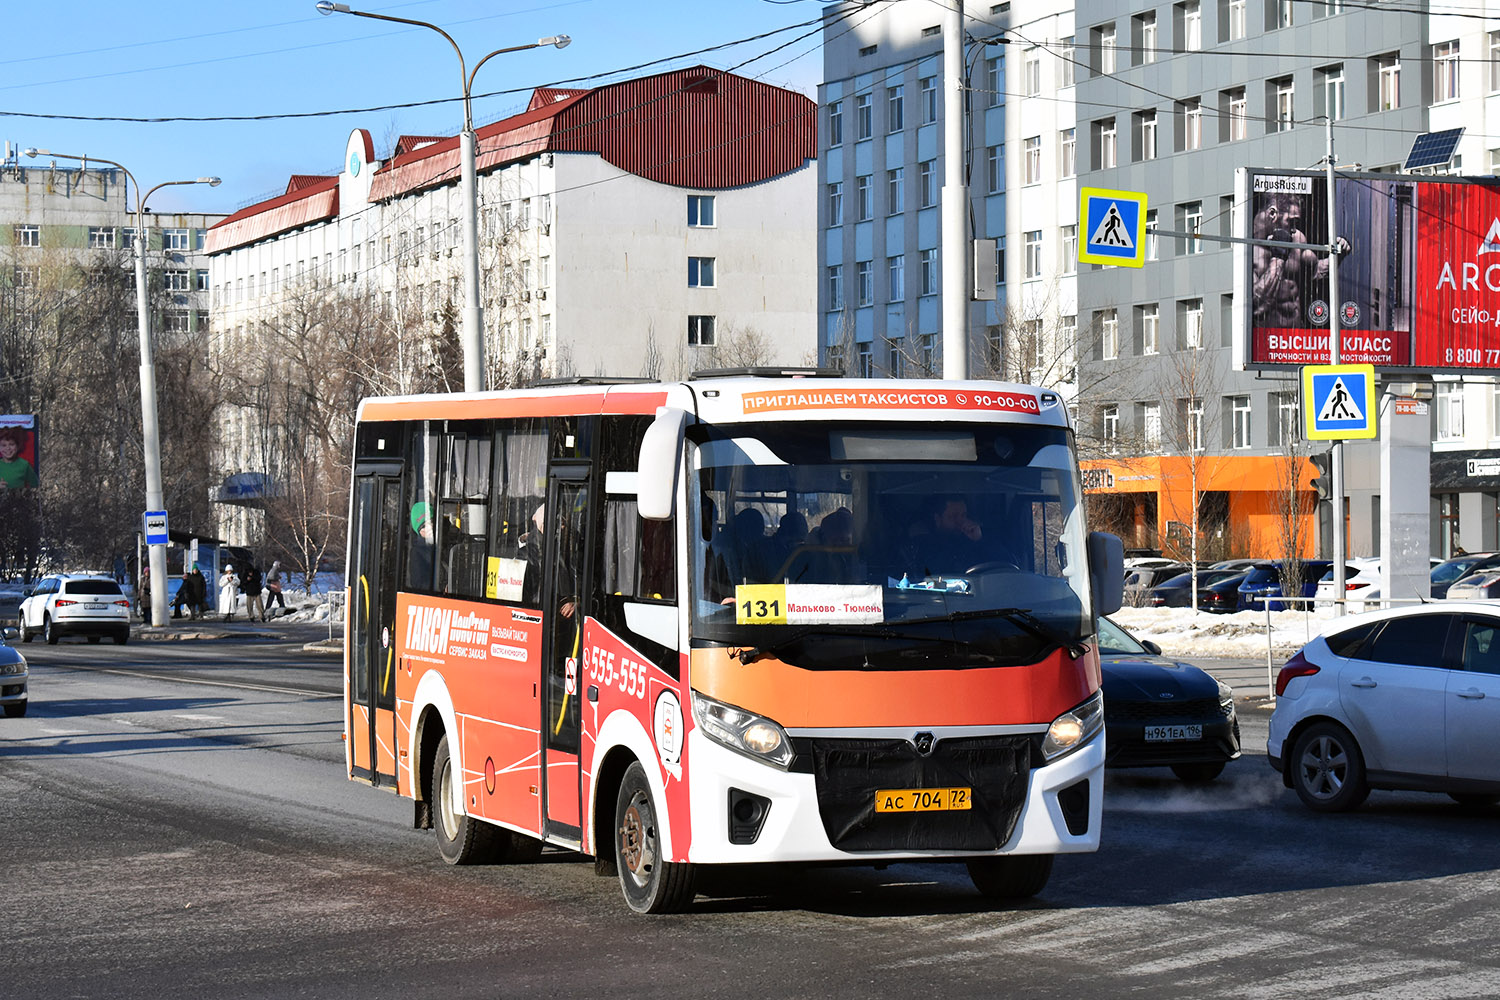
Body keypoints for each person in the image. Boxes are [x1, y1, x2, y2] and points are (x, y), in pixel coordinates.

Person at [1251, 192, 1328, 329]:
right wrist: (1278, 259)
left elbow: (1316, 270)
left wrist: (1339, 255)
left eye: (1296, 223)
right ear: (1272, 214)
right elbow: (1257, 306)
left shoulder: (1297, 238)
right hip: (1264, 340)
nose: (1293, 229)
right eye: (1290, 221)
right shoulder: (1248, 247)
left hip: (1296, 336)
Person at [408, 501, 435, 590]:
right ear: (418, 532)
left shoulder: (449, 537)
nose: (429, 527)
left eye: (430, 521)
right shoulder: (417, 552)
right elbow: (419, 585)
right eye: (423, 526)